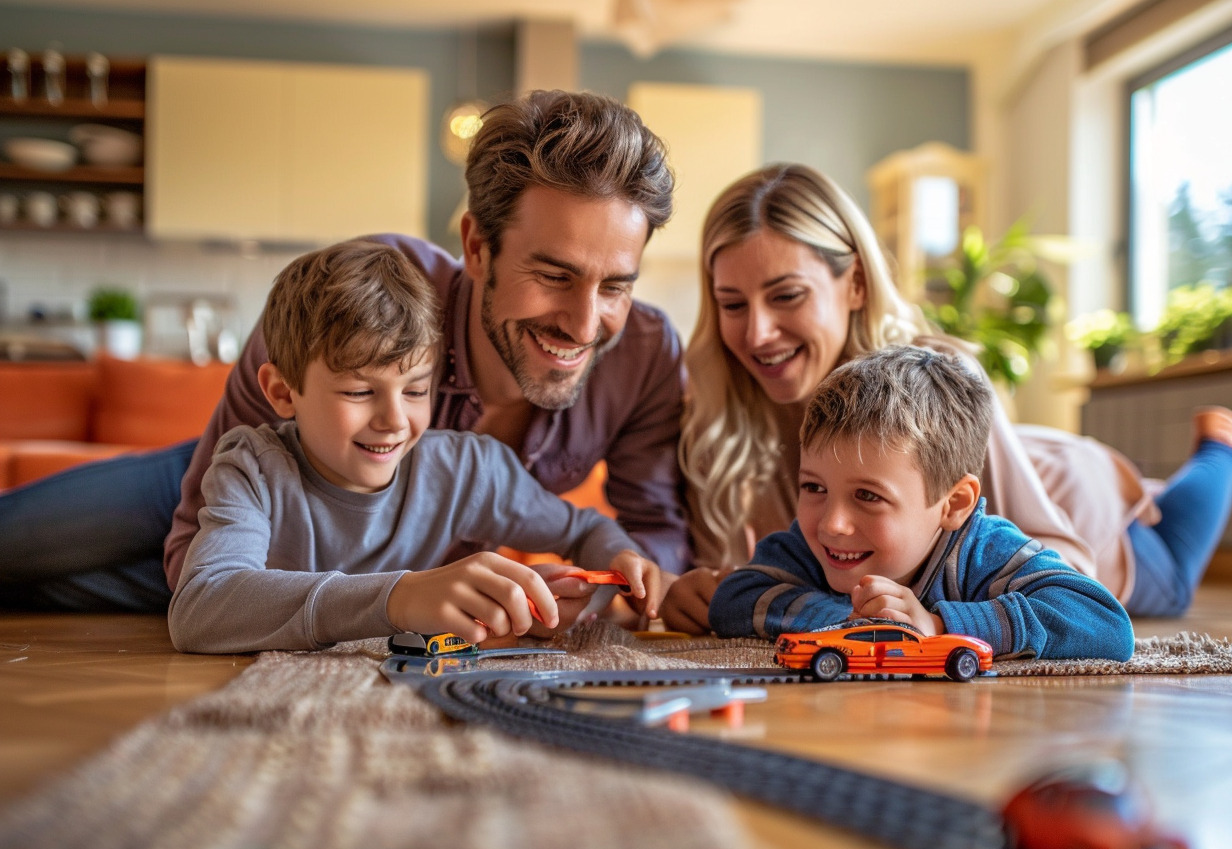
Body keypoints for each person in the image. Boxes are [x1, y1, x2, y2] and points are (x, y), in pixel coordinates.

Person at [0, 89, 690, 613]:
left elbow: (652, 536)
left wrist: (606, 594)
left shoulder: (645, 354)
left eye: (616, 286)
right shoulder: (356, 299)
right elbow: (196, 565)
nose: (584, 321)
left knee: (45, 593)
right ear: (478, 247)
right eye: (555, 276)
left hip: (327, 569)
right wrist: (397, 597)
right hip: (241, 496)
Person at [663, 162, 1232, 633]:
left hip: (1064, 507)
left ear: (855, 283)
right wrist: (699, 590)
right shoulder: (720, 413)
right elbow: (759, 574)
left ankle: (1218, 449)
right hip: (939, 516)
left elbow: (1075, 580)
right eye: (732, 305)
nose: (758, 333)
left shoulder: (940, 374)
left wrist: (937, 620)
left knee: (1175, 573)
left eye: (786, 295)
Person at [169, 240, 661, 653]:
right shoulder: (250, 467)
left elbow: (587, 530)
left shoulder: (466, 470)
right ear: (281, 392)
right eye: (360, 392)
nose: (393, 421)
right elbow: (200, 607)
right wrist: (398, 599)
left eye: (416, 390)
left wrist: (598, 577)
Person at [708, 345, 1134, 660]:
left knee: (1174, 558)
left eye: (868, 496)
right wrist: (847, 621)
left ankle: (1206, 455)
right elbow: (735, 598)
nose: (832, 524)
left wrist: (937, 626)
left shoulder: (985, 549)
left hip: (1115, 530)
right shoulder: (808, 544)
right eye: (814, 488)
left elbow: (1108, 626)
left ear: (953, 505)